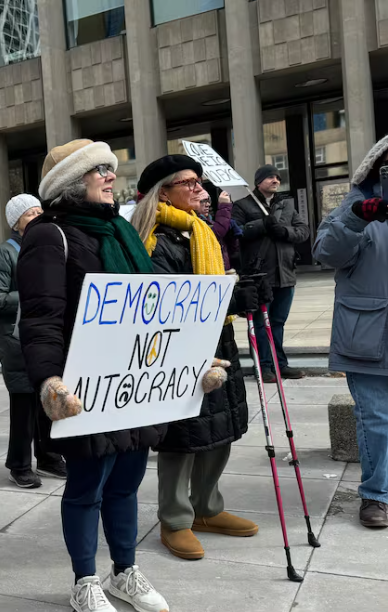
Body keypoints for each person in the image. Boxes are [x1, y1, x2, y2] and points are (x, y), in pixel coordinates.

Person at [19, 139, 170, 612]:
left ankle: (124, 571)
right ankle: (85, 580)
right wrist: (49, 381)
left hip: (132, 385)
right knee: (88, 487)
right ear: (70, 181)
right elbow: (41, 318)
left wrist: (185, 361)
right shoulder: (49, 236)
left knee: (126, 481)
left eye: (110, 169)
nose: (110, 176)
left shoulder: (120, 231)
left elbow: (154, 310)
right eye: (99, 170)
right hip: (83, 389)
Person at [130, 155, 261, 560]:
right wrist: (230, 296)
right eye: (187, 182)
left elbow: (208, 286)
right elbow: (171, 300)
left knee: (219, 431)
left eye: (198, 181)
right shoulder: (154, 238)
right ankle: (175, 519)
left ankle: (207, 508)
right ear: (162, 192)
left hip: (216, 342)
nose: (198, 189)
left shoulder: (198, 231)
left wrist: (239, 290)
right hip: (179, 349)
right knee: (182, 439)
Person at [313, 134, 388, 528]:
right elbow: (326, 252)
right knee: (376, 418)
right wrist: (359, 216)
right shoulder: (355, 206)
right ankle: (376, 495)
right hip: (369, 334)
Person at [0, 193, 66, 489]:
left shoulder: (47, 248)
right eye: (30, 214)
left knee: (48, 399)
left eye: (39, 212)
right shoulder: (4, 253)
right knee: (23, 407)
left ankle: (48, 457)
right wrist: (35, 295)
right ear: (16, 223)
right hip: (17, 342)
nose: (37, 217)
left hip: (44, 338)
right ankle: (19, 465)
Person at [232, 165, 310, 382]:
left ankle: (279, 364)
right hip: (259, 276)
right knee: (259, 323)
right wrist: (262, 225)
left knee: (278, 321)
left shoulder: (286, 206)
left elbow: (303, 230)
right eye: (270, 177)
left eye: (277, 177)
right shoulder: (243, 205)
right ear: (258, 182)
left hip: (285, 274)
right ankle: (264, 366)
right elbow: (235, 232)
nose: (275, 180)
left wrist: (284, 231)